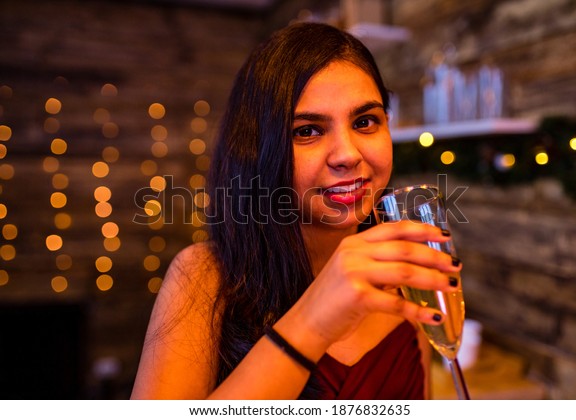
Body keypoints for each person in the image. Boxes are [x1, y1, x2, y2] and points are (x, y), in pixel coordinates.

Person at [131, 22, 461, 400]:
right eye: (307, 131)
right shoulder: (204, 277)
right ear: (257, 149)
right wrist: (313, 320)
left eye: (365, 121)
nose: (348, 155)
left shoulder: (403, 275)